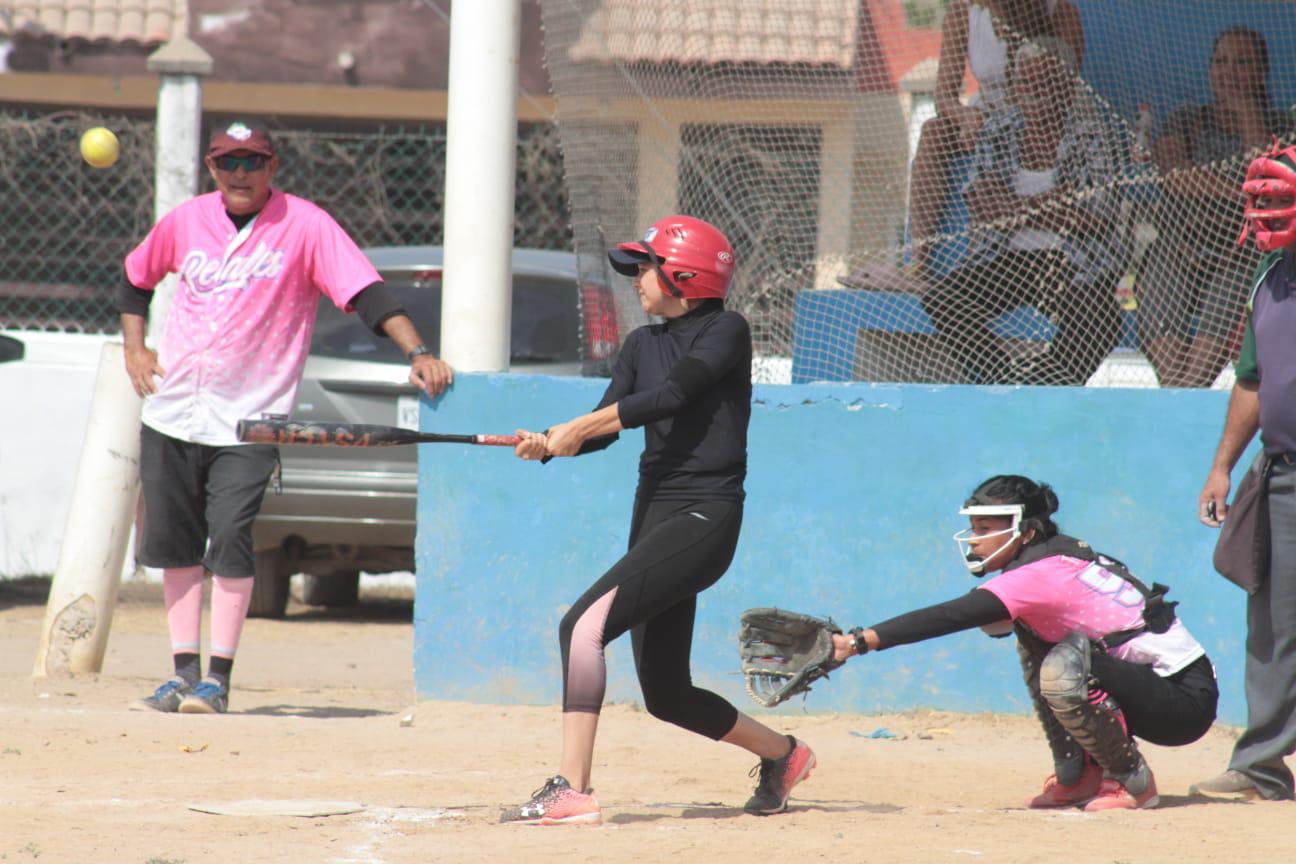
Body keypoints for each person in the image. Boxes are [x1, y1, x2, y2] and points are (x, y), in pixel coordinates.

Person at [121, 119, 452, 715]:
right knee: (173, 546)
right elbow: (134, 279)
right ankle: (181, 672)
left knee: (230, 536)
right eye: (228, 163)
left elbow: (367, 294)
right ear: (213, 170)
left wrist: (418, 351)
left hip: (251, 418)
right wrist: (135, 348)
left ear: (272, 167)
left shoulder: (305, 226)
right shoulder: (185, 222)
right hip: (172, 412)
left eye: (252, 162)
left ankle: (217, 679)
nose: (240, 173)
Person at [500, 215, 814, 825]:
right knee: (667, 694)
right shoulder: (641, 344)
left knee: (582, 627)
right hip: (654, 516)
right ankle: (785, 755)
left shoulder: (726, 330)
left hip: (705, 517)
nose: (638, 279)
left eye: (645, 267)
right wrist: (551, 442)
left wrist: (582, 427)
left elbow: (672, 397)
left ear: (685, 275)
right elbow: (604, 426)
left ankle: (572, 789)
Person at [830, 475, 1218, 811]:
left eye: (986, 529)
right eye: (975, 528)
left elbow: (950, 615)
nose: (975, 540)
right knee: (1037, 646)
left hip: (1183, 701)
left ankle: (1131, 781)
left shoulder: (1042, 573)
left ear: (1027, 532)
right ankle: (1080, 776)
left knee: (1065, 664)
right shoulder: (1045, 561)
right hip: (1152, 689)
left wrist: (859, 642)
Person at [919, 37, 1129, 385]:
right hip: (1008, 259)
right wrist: (1053, 204)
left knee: (1100, 318)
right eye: (1023, 82)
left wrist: (1015, 207)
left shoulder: (1095, 134)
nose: (1030, 92)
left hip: (1073, 261)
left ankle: (1044, 387)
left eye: (1041, 82)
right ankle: (1004, 379)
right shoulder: (998, 130)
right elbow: (982, 205)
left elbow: (1095, 220)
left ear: (1065, 85)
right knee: (942, 298)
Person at [1194, 140, 1296, 802]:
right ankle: (1261, 766)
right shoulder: (1270, 280)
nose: (1266, 211)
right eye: (1258, 201)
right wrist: (1221, 468)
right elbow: (1252, 383)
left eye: (1277, 199)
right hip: (1284, 474)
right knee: (1275, 625)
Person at [1140, 27, 1290, 388]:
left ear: (1261, 72)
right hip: (1180, 246)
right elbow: (1176, 176)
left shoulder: (1283, 124)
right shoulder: (1187, 119)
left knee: (1235, 290)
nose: (1228, 72)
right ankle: (1176, 394)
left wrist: (1247, 113)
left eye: (1242, 63)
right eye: (1220, 61)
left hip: (1241, 254)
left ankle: (1184, 393)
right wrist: (1242, 194)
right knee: (1159, 282)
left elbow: (1267, 179)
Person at [899, 0, 1085, 282]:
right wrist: (965, 118)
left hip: (1037, 117)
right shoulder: (962, 13)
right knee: (933, 132)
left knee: (1006, 144)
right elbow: (943, 97)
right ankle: (919, 259)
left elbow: (1063, 85)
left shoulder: (1058, 12)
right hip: (983, 116)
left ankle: (993, 250)